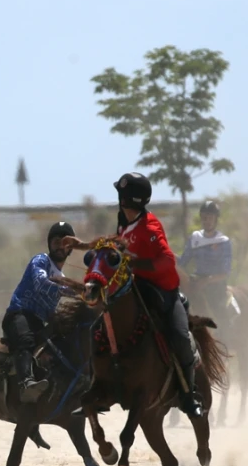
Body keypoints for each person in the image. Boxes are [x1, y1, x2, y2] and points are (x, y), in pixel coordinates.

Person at [63, 172, 205, 418]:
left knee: (181, 337)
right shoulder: (124, 222)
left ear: (127, 199)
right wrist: (83, 245)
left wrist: (133, 264)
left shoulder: (150, 227)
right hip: (135, 288)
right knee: (96, 330)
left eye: (121, 195)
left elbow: (168, 260)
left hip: (163, 291)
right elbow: (111, 243)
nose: (119, 199)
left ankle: (188, 394)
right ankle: (96, 389)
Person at [2, 221, 78, 404]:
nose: (60, 246)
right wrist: (75, 291)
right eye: (56, 241)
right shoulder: (41, 260)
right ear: (49, 244)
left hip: (38, 323)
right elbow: (41, 283)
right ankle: (25, 383)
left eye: (65, 242)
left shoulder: (63, 278)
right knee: (26, 341)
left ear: (71, 248)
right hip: (19, 315)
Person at [177, 200, 234, 329]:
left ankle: (224, 333)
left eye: (210, 217)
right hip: (197, 281)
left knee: (219, 310)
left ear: (216, 219)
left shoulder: (223, 242)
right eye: (204, 217)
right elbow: (183, 262)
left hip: (215, 285)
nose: (207, 220)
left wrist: (207, 281)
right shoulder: (195, 238)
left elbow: (225, 272)